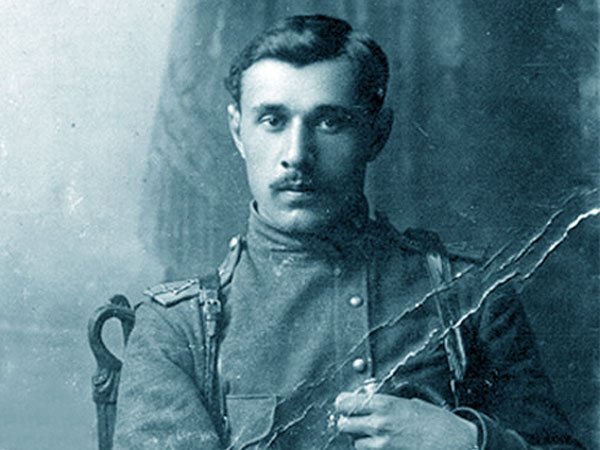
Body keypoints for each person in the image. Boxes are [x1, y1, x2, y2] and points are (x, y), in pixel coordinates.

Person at [114, 15, 583, 450]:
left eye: (329, 122)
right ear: (238, 131)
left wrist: (469, 440)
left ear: (377, 133)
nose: (297, 154)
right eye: (273, 121)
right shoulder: (176, 328)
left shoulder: (469, 296)